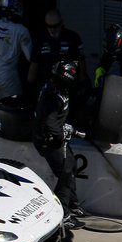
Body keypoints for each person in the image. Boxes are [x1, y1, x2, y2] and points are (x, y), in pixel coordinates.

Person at [33, 60, 86, 231]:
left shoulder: (57, 88)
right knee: (66, 174)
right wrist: (60, 134)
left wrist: (66, 128)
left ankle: (72, 203)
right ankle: (62, 213)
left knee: (71, 167)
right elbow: (49, 120)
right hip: (49, 141)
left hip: (54, 137)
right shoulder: (54, 95)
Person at [27, 9, 86, 93]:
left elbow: (81, 61)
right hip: (46, 88)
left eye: (55, 26)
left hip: (69, 87)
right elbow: (34, 64)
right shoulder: (40, 40)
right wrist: (30, 86)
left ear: (61, 23)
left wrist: (82, 83)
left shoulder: (73, 38)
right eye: (49, 26)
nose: (52, 29)